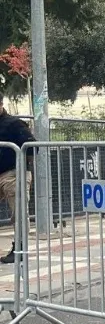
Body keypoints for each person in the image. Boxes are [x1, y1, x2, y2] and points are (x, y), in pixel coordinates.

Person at [0, 91, 35, 264]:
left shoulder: (14, 124)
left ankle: (20, 248)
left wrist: (23, 169)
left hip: (13, 173)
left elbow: (31, 146)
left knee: (19, 213)